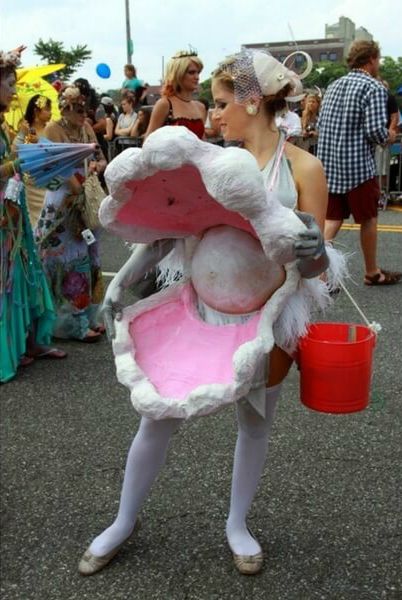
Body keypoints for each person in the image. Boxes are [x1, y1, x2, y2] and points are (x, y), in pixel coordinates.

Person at [78, 49, 343, 577]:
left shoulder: (303, 168)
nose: (213, 115)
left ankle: (237, 524)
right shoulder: (213, 159)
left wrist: (314, 249)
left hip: (267, 316)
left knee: (255, 421)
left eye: (222, 104)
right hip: (196, 310)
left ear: (251, 100)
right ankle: (123, 520)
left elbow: (315, 272)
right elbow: (175, 230)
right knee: (156, 415)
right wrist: (123, 283)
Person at [0, 48, 65, 383]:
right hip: (4, 218)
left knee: (24, 273)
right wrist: (18, 163)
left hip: (13, 211)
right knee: (7, 281)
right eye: (8, 84)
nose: (13, 91)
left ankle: (30, 343)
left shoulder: (4, 128)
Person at [317, 40, 401, 286]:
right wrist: (391, 134)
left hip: (330, 165)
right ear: (372, 59)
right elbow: (375, 131)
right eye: (379, 60)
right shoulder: (373, 87)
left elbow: (322, 125)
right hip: (357, 168)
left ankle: (317, 273)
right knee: (368, 218)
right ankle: (372, 272)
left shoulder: (334, 85)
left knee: (332, 219)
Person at [35, 84, 107, 342]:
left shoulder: (87, 127)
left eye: (84, 108)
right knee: (67, 260)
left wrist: (95, 166)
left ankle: (88, 317)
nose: (83, 113)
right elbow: (51, 166)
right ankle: (70, 324)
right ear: (64, 107)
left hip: (86, 198)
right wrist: (75, 183)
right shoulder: (53, 129)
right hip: (63, 202)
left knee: (90, 258)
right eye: (77, 108)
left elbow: (100, 157)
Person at [145, 49, 207, 139]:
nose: (197, 77)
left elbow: (203, 143)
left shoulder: (200, 107)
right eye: (191, 72)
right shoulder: (165, 104)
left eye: (198, 72)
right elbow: (148, 142)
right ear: (178, 74)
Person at [13, 94, 52, 227]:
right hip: (31, 186)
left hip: (51, 182)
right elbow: (14, 154)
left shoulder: (52, 128)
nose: (50, 113)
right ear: (36, 111)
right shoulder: (25, 130)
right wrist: (23, 134)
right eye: (47, 109)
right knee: (34, 224)